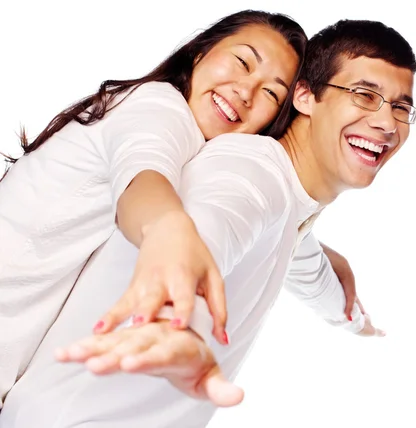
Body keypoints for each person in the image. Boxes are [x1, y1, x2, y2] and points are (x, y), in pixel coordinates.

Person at [0, 18, 416, 428]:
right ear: (306, 98)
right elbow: (185, 210)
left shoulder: (275, 196)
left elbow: (292, 250)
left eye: (401, 107)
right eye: (364, 95)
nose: (386, 122)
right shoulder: (169, 116)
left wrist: (346, 313)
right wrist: (178, 298)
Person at [0, 9, 309, 407]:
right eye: (241, 61)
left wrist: (328, 270)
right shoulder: (160, 110)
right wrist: (166, 227)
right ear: (199, 53)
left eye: (271, 93)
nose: (245, 91)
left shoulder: (194, 144)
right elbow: (145, 175)